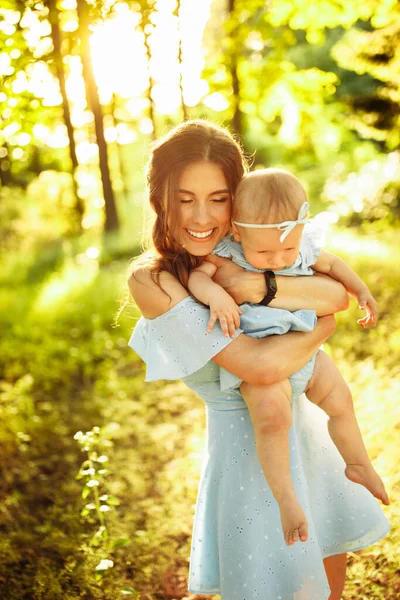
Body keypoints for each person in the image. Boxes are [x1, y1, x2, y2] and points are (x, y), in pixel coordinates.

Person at [128, 119, 390, 600]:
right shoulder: (156, 280)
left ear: (240, 199)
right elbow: (264, 366)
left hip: (309, 442)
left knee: (328, 586)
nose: (201, 215)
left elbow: (335, 291)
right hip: (251, 468)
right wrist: (321, 329)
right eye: (185, 199)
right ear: (159, 199)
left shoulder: (256, 252)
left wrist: (261, 288)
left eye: (219, 198)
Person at [187, 167, 389, 547]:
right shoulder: (226, 252)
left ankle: (359, 463)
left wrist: (362, 292)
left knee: (340, 400)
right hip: (262, 361)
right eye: (263, 251)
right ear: (237, 231)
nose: (278, 259)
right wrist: (214, 294)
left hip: (305, 350)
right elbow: (199, 278)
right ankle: (287, 500)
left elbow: (333, 266)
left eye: (288, 249)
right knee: (272, 421)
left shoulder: (303, 245)